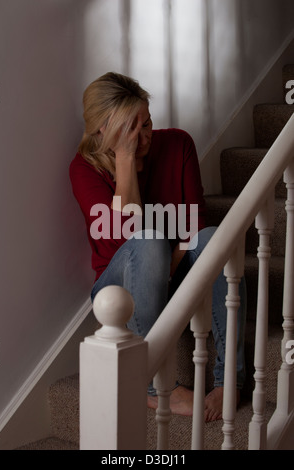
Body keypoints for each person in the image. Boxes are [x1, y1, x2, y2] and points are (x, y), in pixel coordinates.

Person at [69, 72, 246, 422]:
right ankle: (151, 386)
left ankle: (229, 379)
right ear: (103, 130)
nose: (145, 135)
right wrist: (124, 162)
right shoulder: (84, 169)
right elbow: (119, 239)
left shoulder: (178, 144)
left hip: (171, 271)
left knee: (212, 237)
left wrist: (160, 269)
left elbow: (193, 229)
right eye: (132, 128)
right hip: (117, 287)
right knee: (147, 239)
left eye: (147, 123)